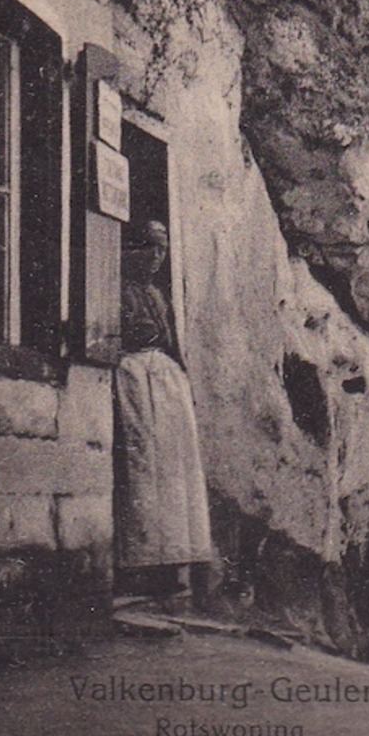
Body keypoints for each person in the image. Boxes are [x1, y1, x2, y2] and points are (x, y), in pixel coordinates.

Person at [114, 220, 214, 602]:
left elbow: (171, 343)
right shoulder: (115, 289)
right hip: (133, 379)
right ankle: (138, 564)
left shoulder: (157, 296)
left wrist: (184, 384)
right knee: (140, 470)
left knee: (174, 472)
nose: (156, 257)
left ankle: (171, 563)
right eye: (149, 248)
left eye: (162, 250)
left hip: (165, 382)